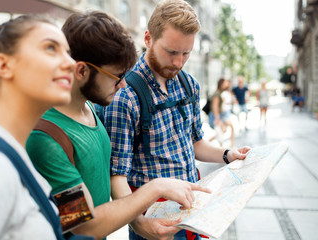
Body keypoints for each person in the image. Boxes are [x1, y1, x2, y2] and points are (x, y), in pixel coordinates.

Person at [26, 10, 211, 240]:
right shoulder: (46, 138)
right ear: (82, 71)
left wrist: (139, 221)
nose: (124, 84)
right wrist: (156, 188)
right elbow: (83, 225)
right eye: (117, 76)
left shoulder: (88, 108)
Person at [104, 1, 251, 239]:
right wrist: (139, 224)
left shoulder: (189, 83)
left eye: (186, 53)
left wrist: (227, 154)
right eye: (171, 52)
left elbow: (195, 144)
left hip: (193, 205)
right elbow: (116, 176)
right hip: (154, 217)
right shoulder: (126, 95)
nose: (178, 63)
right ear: (148, 38)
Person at [0, 15, 76, 239]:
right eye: (50, 48)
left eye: (68, 53)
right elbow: (82, 221)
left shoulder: (92, 122)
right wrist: (151, 192)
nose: (71, 63)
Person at [209, 78, 235, 147]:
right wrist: (217, 119)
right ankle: (220, 148)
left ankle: (210, 142)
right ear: (221, 84)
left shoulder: (220, 92)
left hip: (218, 115)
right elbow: (215, 106)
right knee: (221, 132)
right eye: (225, 83)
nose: (227, 84)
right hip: (215, 116)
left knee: (222, 131)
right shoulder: (217, 93)